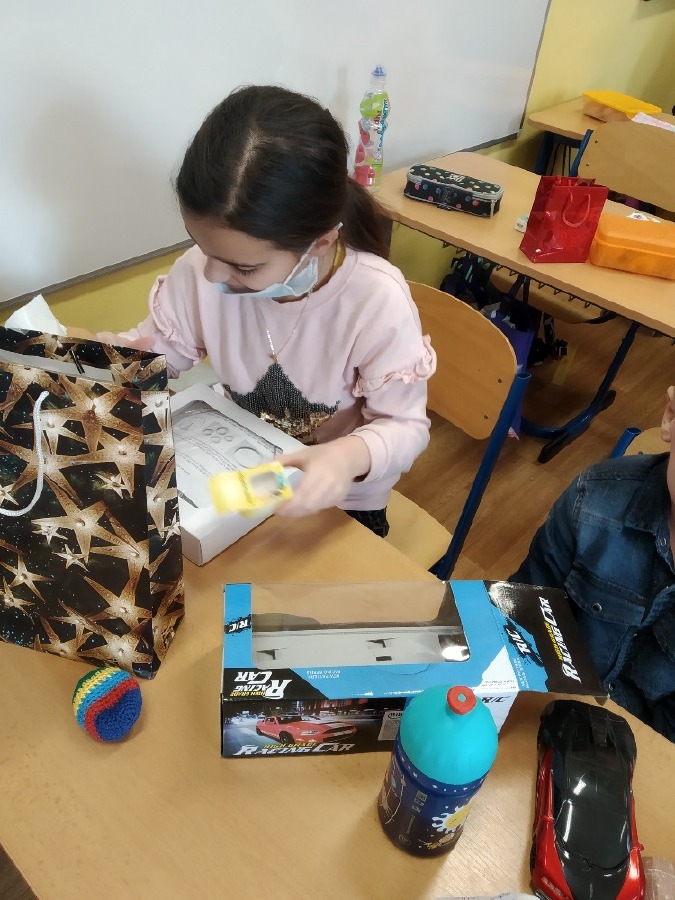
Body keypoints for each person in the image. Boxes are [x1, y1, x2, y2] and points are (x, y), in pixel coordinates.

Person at [97, 85, 436, 536]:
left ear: (320, 243)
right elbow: (162, 352)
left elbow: (406, 427)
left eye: (244, 267)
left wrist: (346, 457)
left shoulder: (375, 301)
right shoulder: (201, 271)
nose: (213, 275)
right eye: (201, 247)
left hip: (337, 500)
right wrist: (119, 360)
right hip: (239, 476)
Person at [511, 387, 675, 742]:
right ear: (671, 416)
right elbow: (518, 613)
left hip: (648, 753)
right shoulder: (593, 501)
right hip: (544, 709)